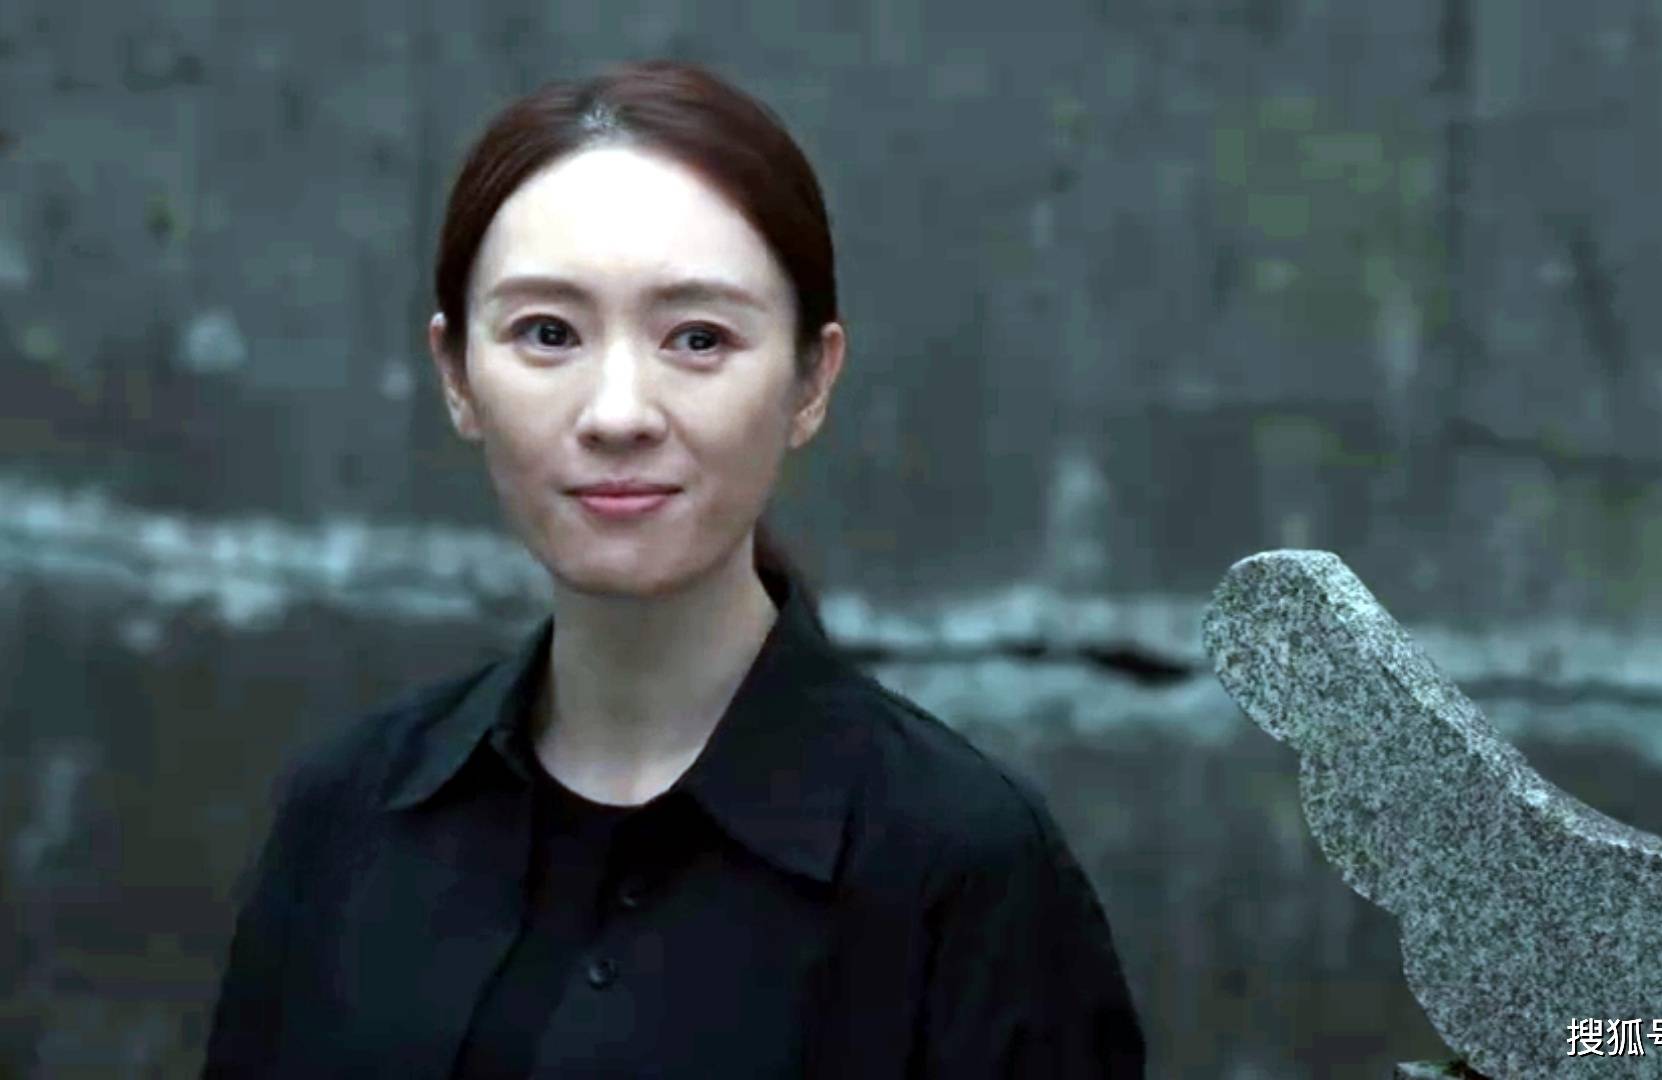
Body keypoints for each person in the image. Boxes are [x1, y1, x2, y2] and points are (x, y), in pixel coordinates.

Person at [201, 58, 1145, 1078]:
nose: (618, 414)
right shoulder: (346, 816)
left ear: (811, 380)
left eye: (698, 338)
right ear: (457, 375)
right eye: (547, 334)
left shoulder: (964, 871)